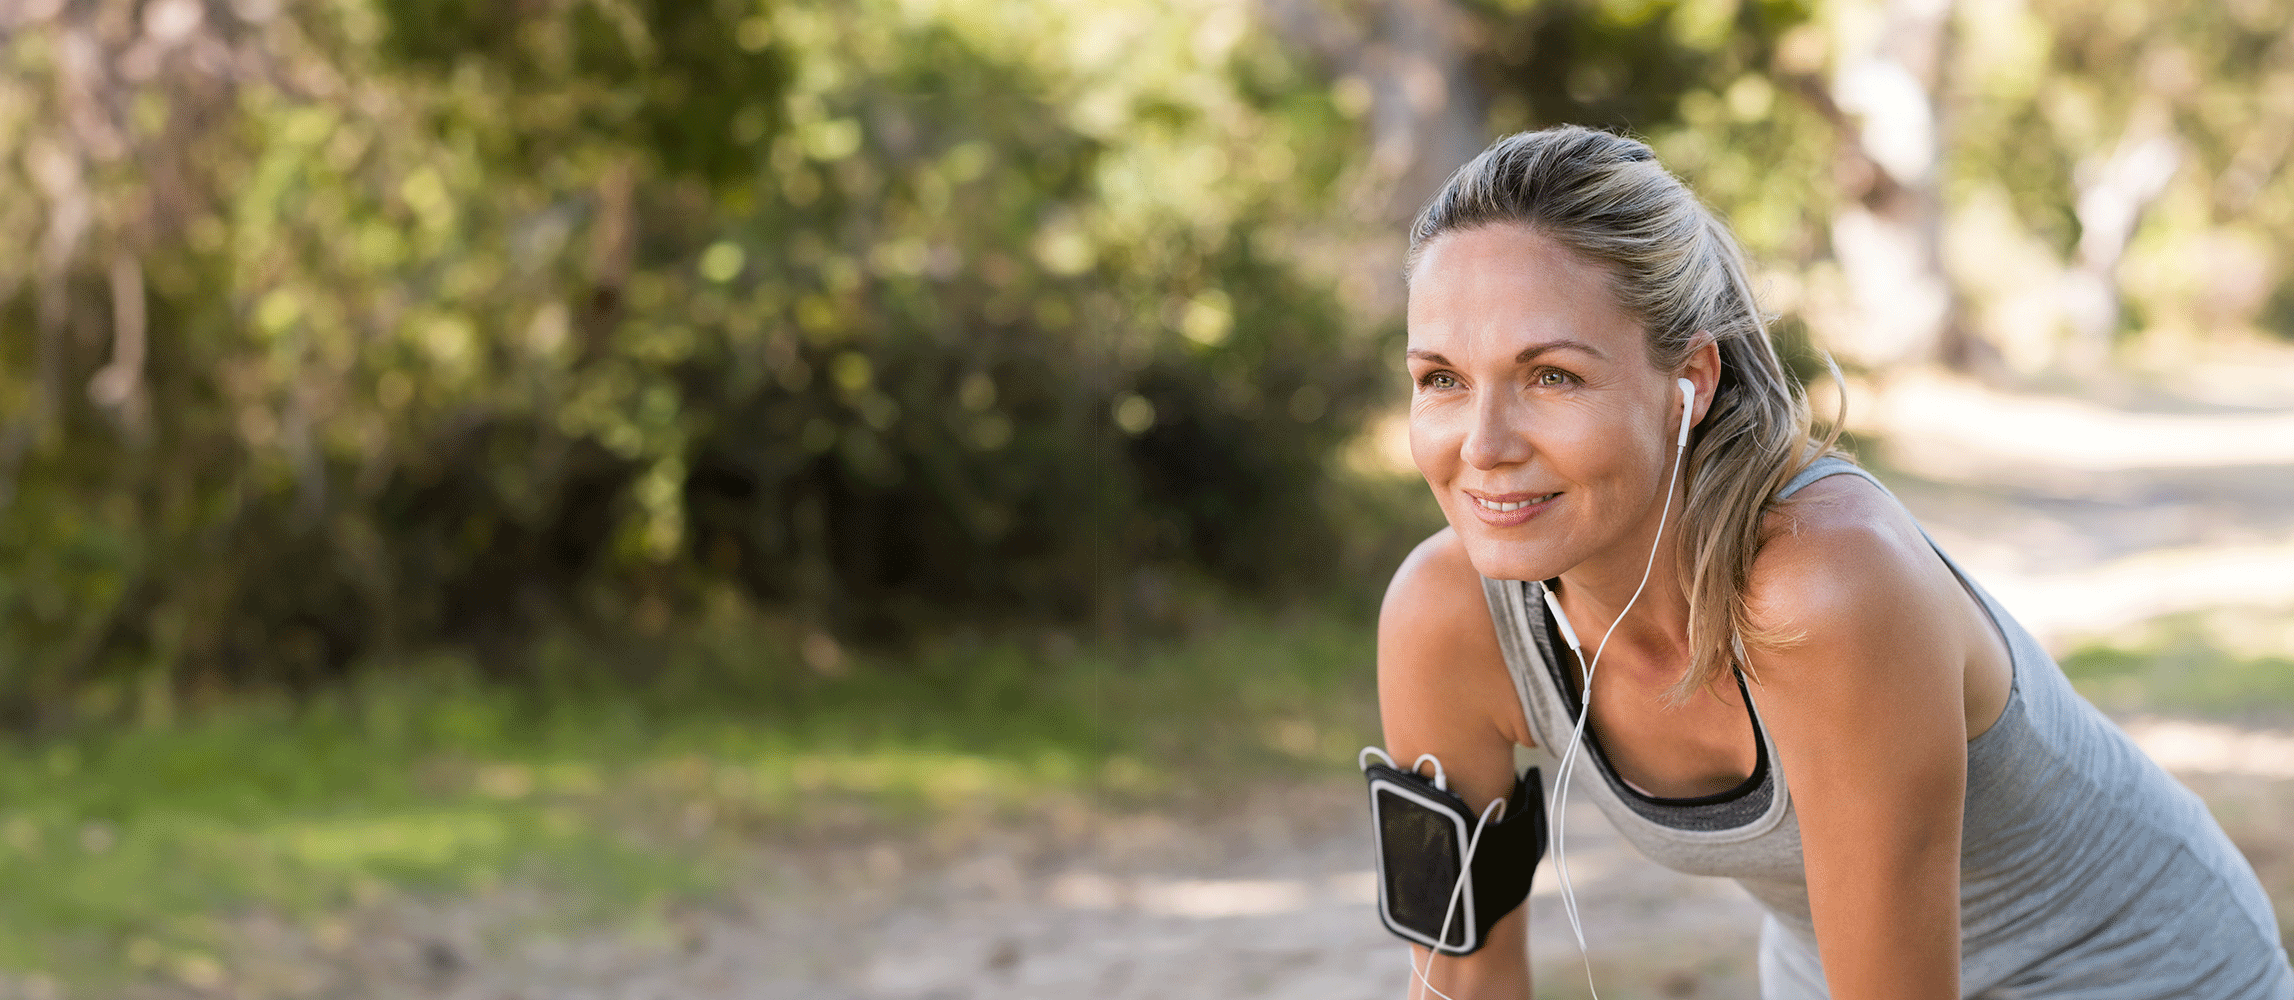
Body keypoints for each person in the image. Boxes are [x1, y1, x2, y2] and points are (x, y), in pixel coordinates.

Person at [1375, 125, 2293, 1000]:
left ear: (1690, 381)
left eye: (1552, 376)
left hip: (2141, 971)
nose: (1483, 445)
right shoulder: (1445, 616)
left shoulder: (1824, 589)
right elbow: (1457, 978)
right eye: (1442, 380)